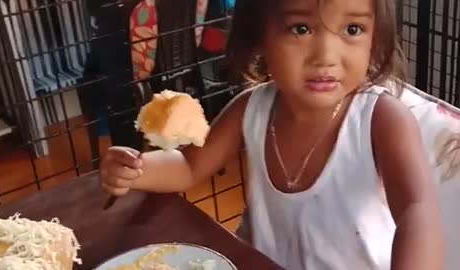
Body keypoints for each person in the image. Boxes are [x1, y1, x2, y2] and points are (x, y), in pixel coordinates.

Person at [100, 0, 445, 269]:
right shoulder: (251, 108)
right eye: (300, 28)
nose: (326, 56)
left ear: (376, 38)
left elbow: (418, 211)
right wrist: (137, 169)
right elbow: (190, 167)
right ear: (259, 37)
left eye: (352, 29)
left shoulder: (381, 119)